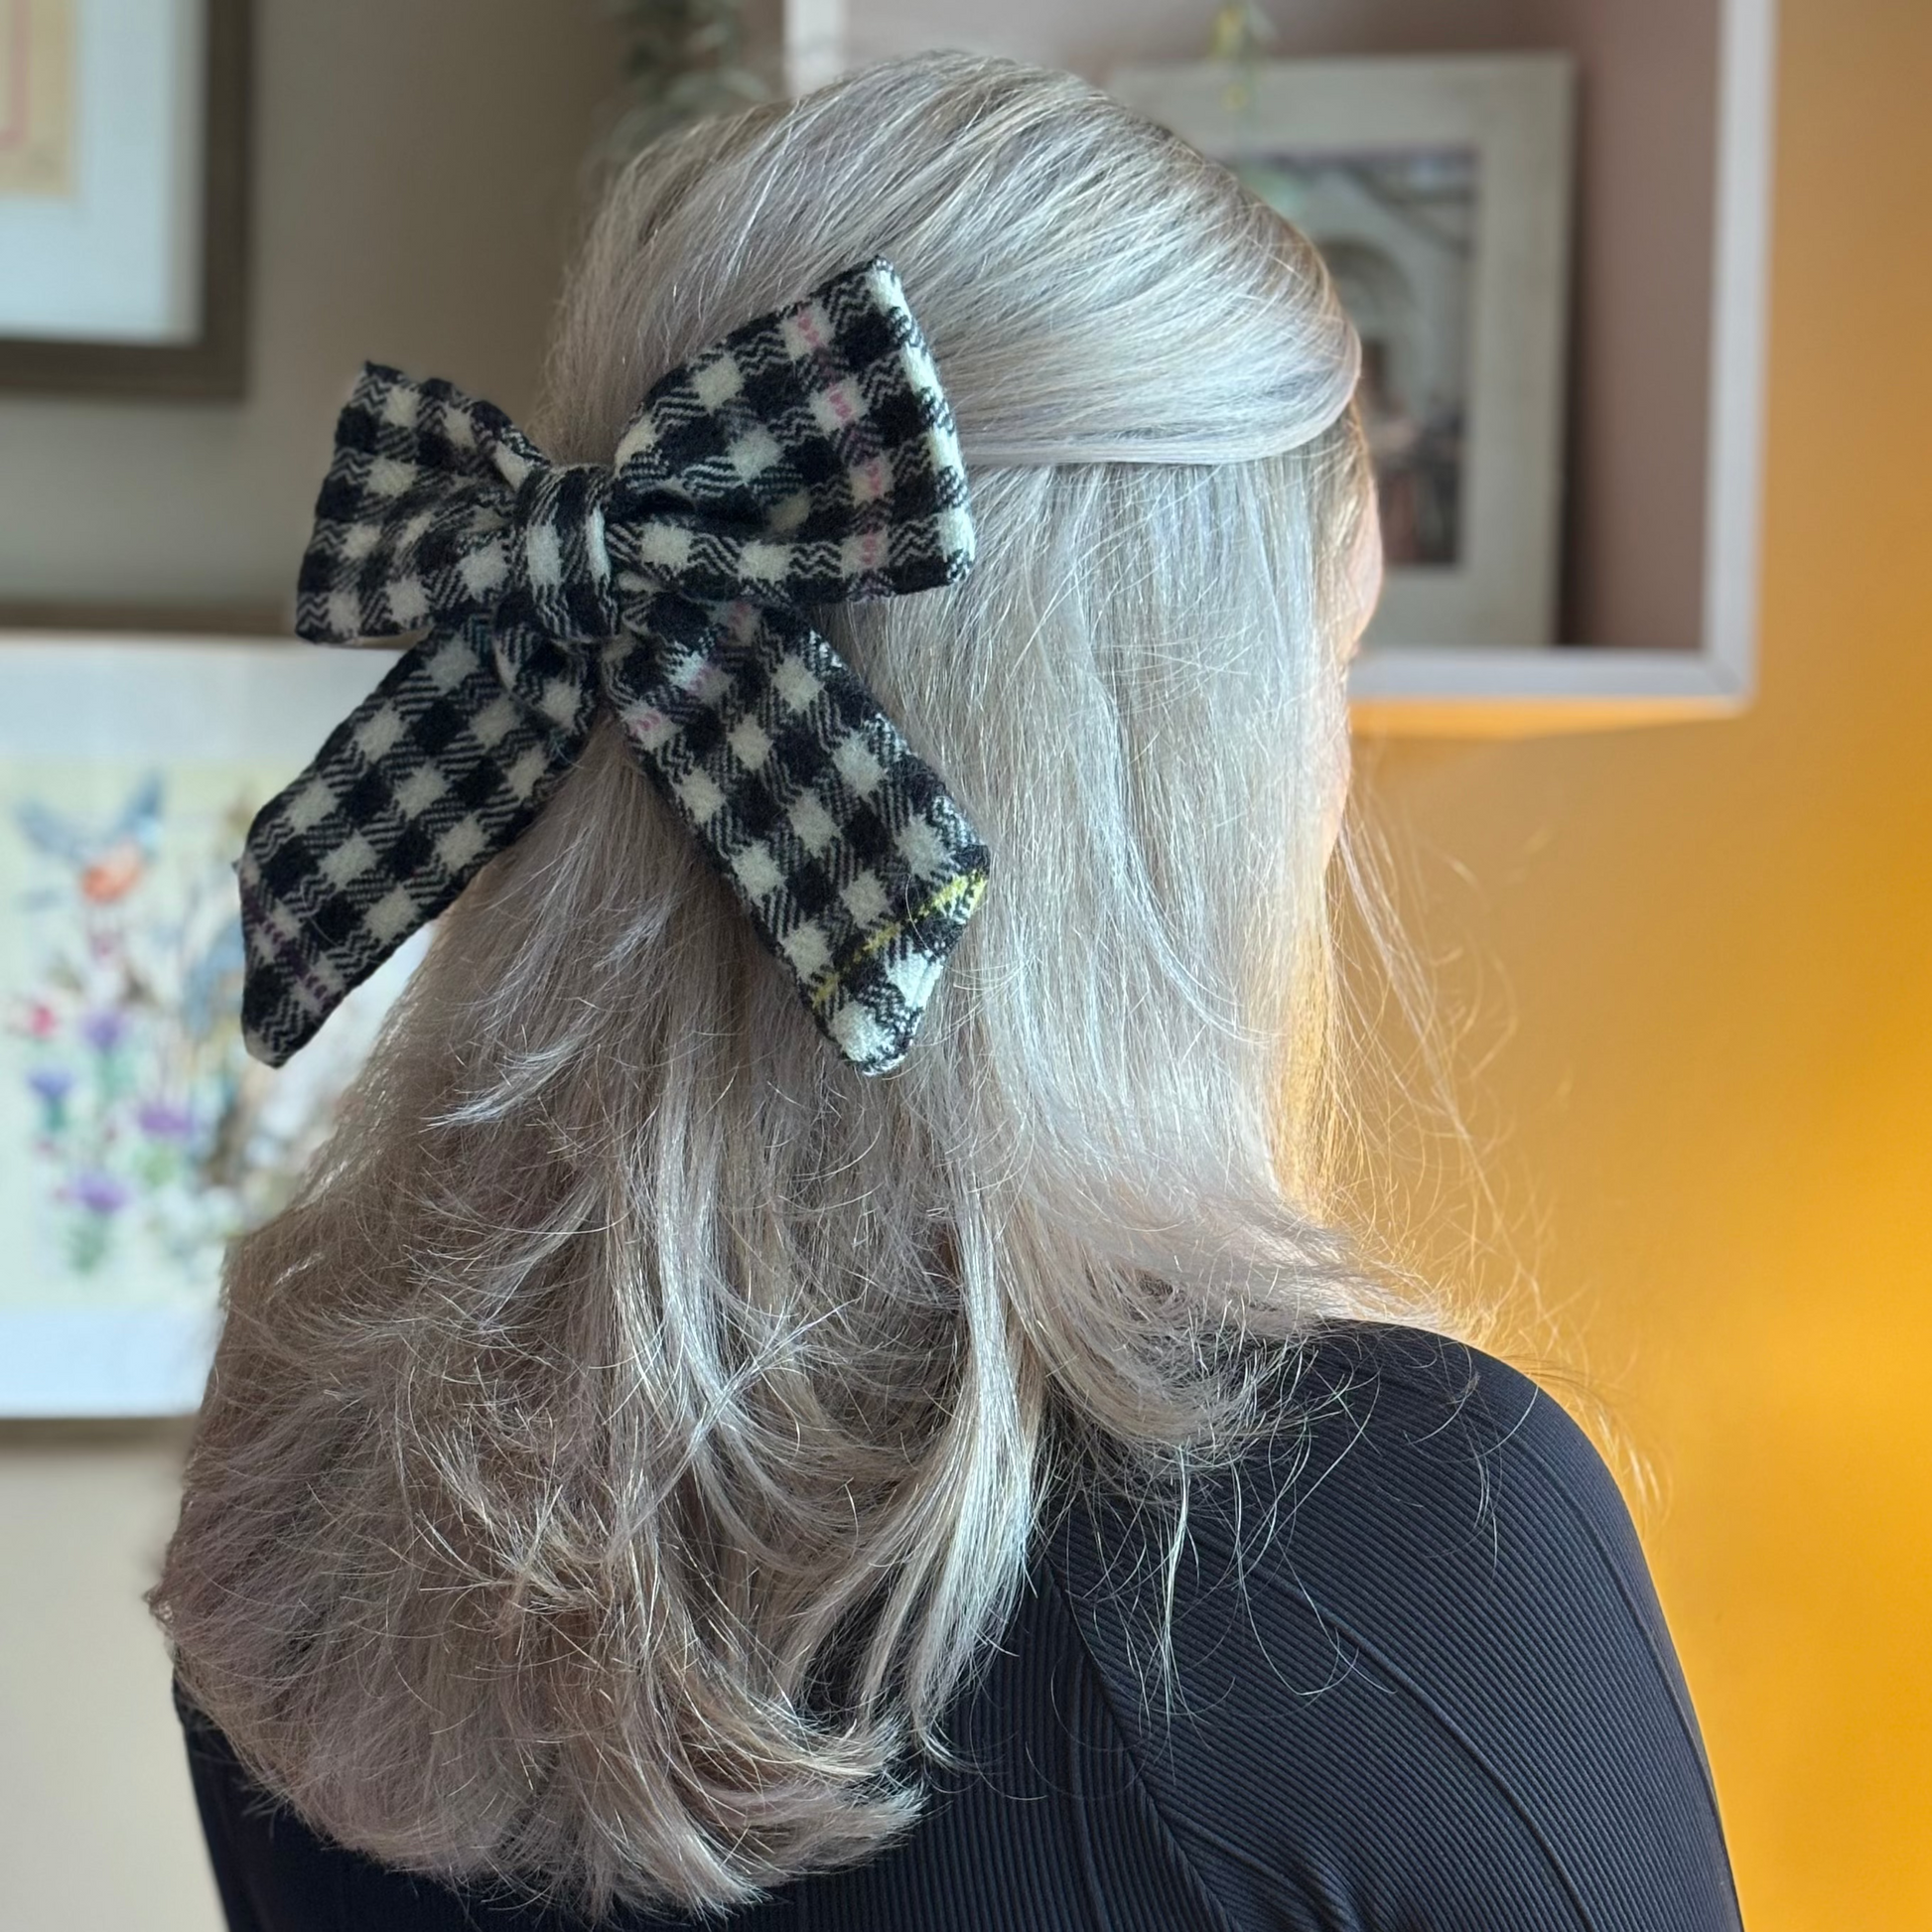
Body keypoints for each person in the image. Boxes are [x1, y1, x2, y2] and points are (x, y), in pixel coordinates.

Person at [152, 53, 1742, 1932]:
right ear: (1175, 752)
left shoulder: (315, 1486)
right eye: (1331, 671)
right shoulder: (1390, 1545)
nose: (1331, 781)